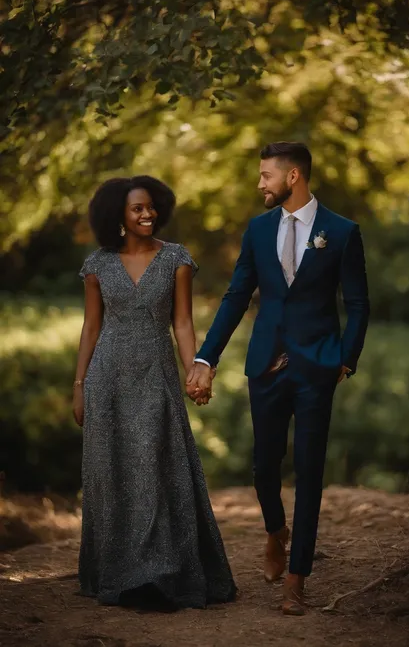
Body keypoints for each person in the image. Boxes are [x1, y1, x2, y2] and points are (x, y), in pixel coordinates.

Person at [186, 142, 369, 615]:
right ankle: (274, 531)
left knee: (310, 472)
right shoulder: (257, 229)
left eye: (266, 175)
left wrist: (345, 359)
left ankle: (297, 578)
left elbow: (358, 303)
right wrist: (207, 359)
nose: (259, 183)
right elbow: (235, 297)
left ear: (293, 177)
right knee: (264, 466)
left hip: (317, 367)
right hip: (264, 364)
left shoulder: (343, 232)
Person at [73, 175, 236, 609]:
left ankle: (161, 574)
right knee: (112, 472)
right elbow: (91, 326)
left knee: (155, 465)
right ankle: (118, 573)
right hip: (106, 376)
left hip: (156, 371)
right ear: (118, 217)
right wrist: (79, 385)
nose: (148, 215)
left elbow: (182, 322)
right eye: (137, 209)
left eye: (151, 207)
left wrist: (194, 372)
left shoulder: (176, 258)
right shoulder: (98, 265)